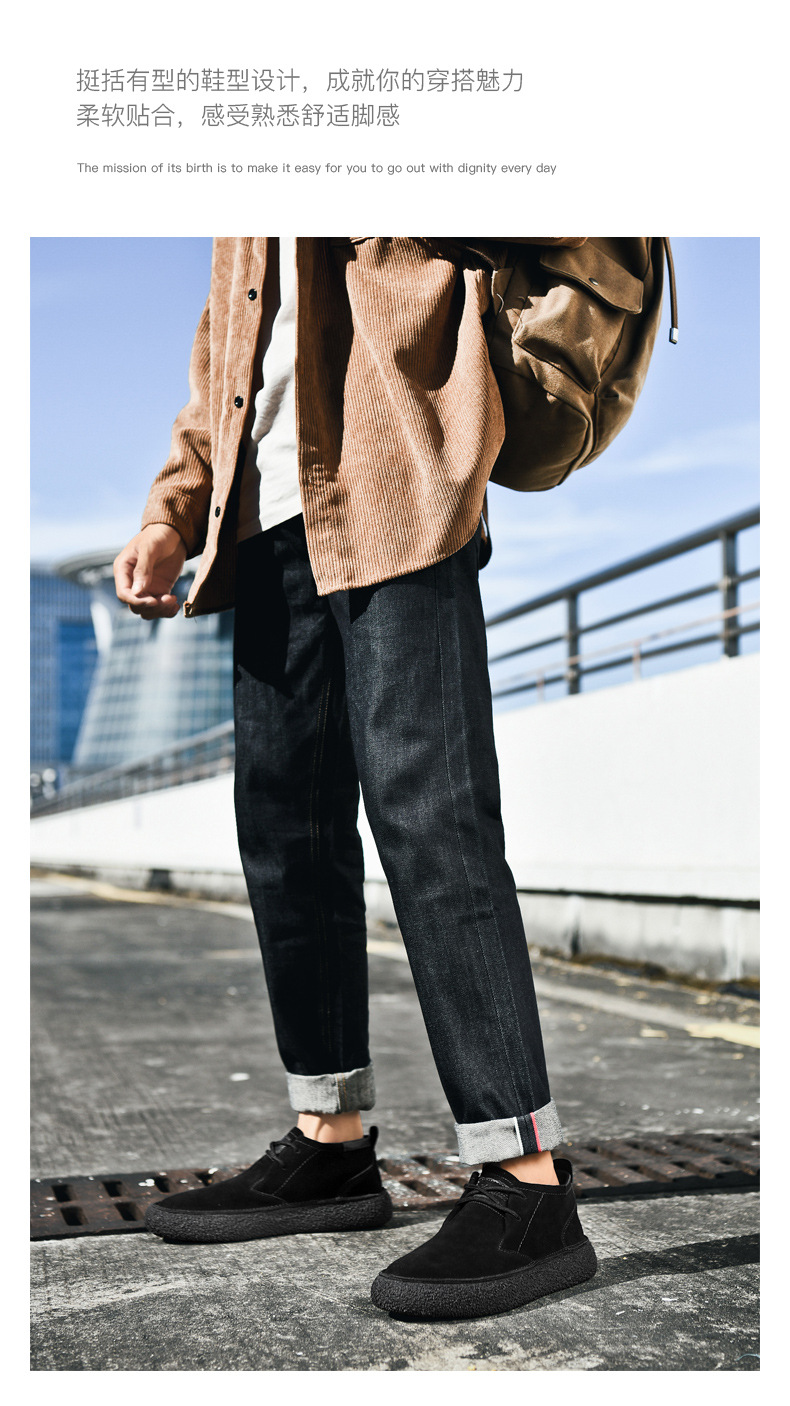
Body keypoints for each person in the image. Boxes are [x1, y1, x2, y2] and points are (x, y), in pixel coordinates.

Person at [113, 236, 597, 1321]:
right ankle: (331, 1139)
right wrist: (172, 509)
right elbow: (226, 348)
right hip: (261, 516)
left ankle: (527, 1177)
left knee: (430, 817)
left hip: (397, 480)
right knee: (284, 829)